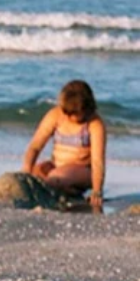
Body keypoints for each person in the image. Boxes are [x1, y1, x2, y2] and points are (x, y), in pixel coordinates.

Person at [22, 80, 106, 213]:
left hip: (82, 171)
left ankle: (64, 189)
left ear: (87, 108)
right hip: (56, 166)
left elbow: (97, 162)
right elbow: (35, 147)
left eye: (75, 114)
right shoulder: (56, 115)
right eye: (68, 113)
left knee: (55, 178)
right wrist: (26, 173)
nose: (71, 117)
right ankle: (67, 191)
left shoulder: (94, 124)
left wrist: (97, 191)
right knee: (35, 175)